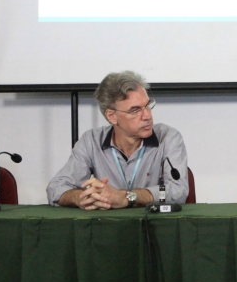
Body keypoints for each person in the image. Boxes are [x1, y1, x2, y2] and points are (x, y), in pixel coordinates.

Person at [47, 71, 189, 208]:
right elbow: (56, 188)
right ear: (111, 116)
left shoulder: (168, 137)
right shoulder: (91, 141)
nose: (147, 116)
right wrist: (83, 197)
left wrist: (126, 197)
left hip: (154, 227)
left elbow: (179, 191)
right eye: (135, 110)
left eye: (147, 105)